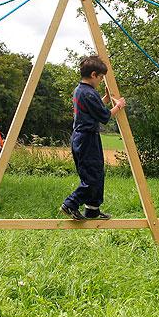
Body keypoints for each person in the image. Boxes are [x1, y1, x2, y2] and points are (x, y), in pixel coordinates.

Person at [61, 55, 126, 220]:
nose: (101, 80)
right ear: (93, 75)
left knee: (97, 173)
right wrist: (118, 106)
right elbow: (104, 116)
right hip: (86, 138)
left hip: (84, 137)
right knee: (92, 176)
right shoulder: (89, 93)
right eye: (101, 77)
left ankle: (92, 209)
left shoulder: (81, 90)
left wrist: (103, 99)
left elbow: (93, 109)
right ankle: (70, 203)